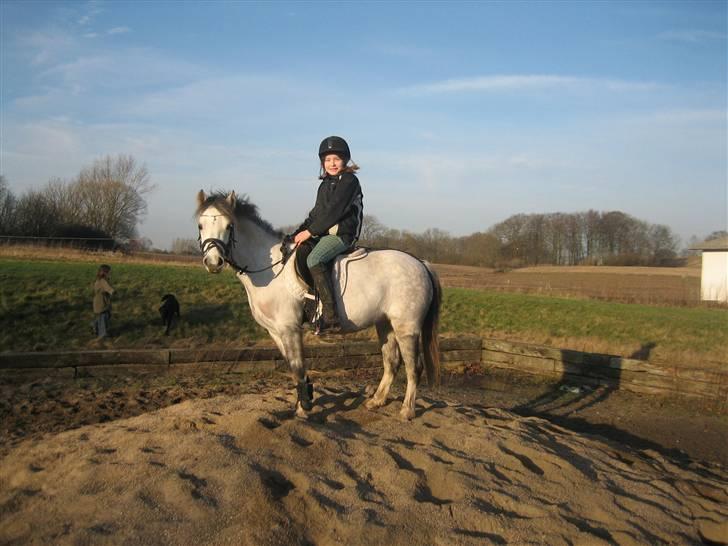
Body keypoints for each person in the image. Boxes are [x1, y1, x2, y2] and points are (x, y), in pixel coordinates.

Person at [293, 136, 363, 333]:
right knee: (302, 251)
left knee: (315, 259)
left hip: (343, 236)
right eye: (328, 160)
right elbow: (316, 214)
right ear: (323, 163)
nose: (332, 163)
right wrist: (297, 233)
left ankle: (332, 319)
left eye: (337, 159)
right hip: (324, 235)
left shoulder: (349, 181)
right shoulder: (325, 184)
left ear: (345, 160)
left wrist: (310, 232)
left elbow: (334, 211)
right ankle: (311, 305)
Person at [92, 264, 114, 339]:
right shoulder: (103, 281)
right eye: (109, 272)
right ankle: (102, 334)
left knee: (102, 316)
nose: (110, 273)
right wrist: (113, 292)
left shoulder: (99, 280)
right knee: (104, 317)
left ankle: (94, 326)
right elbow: (109, 289)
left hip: (98, 301)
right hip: (102, 303)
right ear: (105, 272)